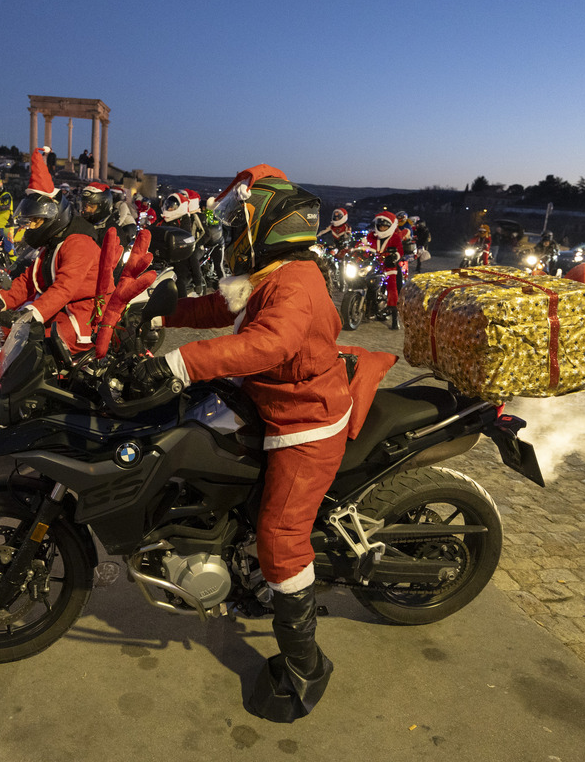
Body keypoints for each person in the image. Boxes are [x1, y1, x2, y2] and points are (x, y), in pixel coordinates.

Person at [131, 166, 392, 722]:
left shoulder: (296, 282)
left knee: (280, 536)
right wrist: (154, 308)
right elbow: (221, 308)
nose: (232, 230)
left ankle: (305, 666)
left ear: (271, 224)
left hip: (304, 420)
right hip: (271, 402)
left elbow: (268, 344)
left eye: (239, 219)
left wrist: (184, 361)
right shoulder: (271, 272)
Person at [0, 148, 101, 354]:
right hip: (55, 309)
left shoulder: (78, 243)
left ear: (52, 217)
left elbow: (65, 288)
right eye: (29, 221)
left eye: (35, 221)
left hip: (82, 314)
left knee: (31, 348)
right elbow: (29, 281)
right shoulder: (53, 243)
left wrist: (32, 312)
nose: (31, 227)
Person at [363, 211, 408, 329]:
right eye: (380, 226)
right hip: (374, 264)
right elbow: (364, 245)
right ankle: (367, 307)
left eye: (385, 226)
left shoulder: (395, 237)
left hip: (389, 266)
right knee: (362, 278)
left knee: (393, 287)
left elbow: (400, 251)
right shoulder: (371, 235)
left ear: (390, 226)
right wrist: (360, 249)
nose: (382, 228)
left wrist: (394, 257)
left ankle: (395, 316)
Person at [162, 189, 207, 297]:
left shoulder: (188, 218)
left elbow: (203, 233)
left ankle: (197, 283)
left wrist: (195, 243)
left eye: (172, 206)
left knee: (189, 262)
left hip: (184, 249)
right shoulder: (164, 219)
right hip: (167, 252)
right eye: (168, 206)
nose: (170, 208)